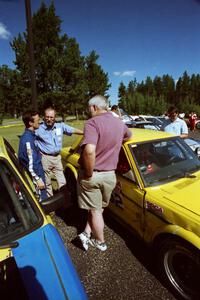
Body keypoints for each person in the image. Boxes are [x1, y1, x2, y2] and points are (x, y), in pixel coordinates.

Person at [77, 95, 131, 251]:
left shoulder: (92, 123)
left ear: (94, 107)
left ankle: (100, 242)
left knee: (95, 209)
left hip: (93, 174)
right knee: (98, 208)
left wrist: (88, 173)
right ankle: (87, 232)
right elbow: (129, 136)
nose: (88, 111)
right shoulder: (119, 123)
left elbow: (89, 151)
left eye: (88, 108)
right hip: (110, 176)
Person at [35, 106, 83, 197]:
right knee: (47, 182)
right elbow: (30, 140)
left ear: (55, 117)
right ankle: (51, 202)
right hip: (45, 158)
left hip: (57, 158)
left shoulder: (60, 126)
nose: (49, 119)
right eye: (47, 117)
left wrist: (86, 133)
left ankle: (65, 200)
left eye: (51, 117)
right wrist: (37, 151)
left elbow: (73, 130)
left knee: (62, 181)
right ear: (44, 117)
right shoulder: (38, 129)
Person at [18, 110, 47, 202]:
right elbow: (31, 163)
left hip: (37, 172)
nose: (40, 122)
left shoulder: (30, 136)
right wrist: (37, 179)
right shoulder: (28, 140)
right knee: (41, 201)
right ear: (30, 123)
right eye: (38, 120)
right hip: (36, 175)